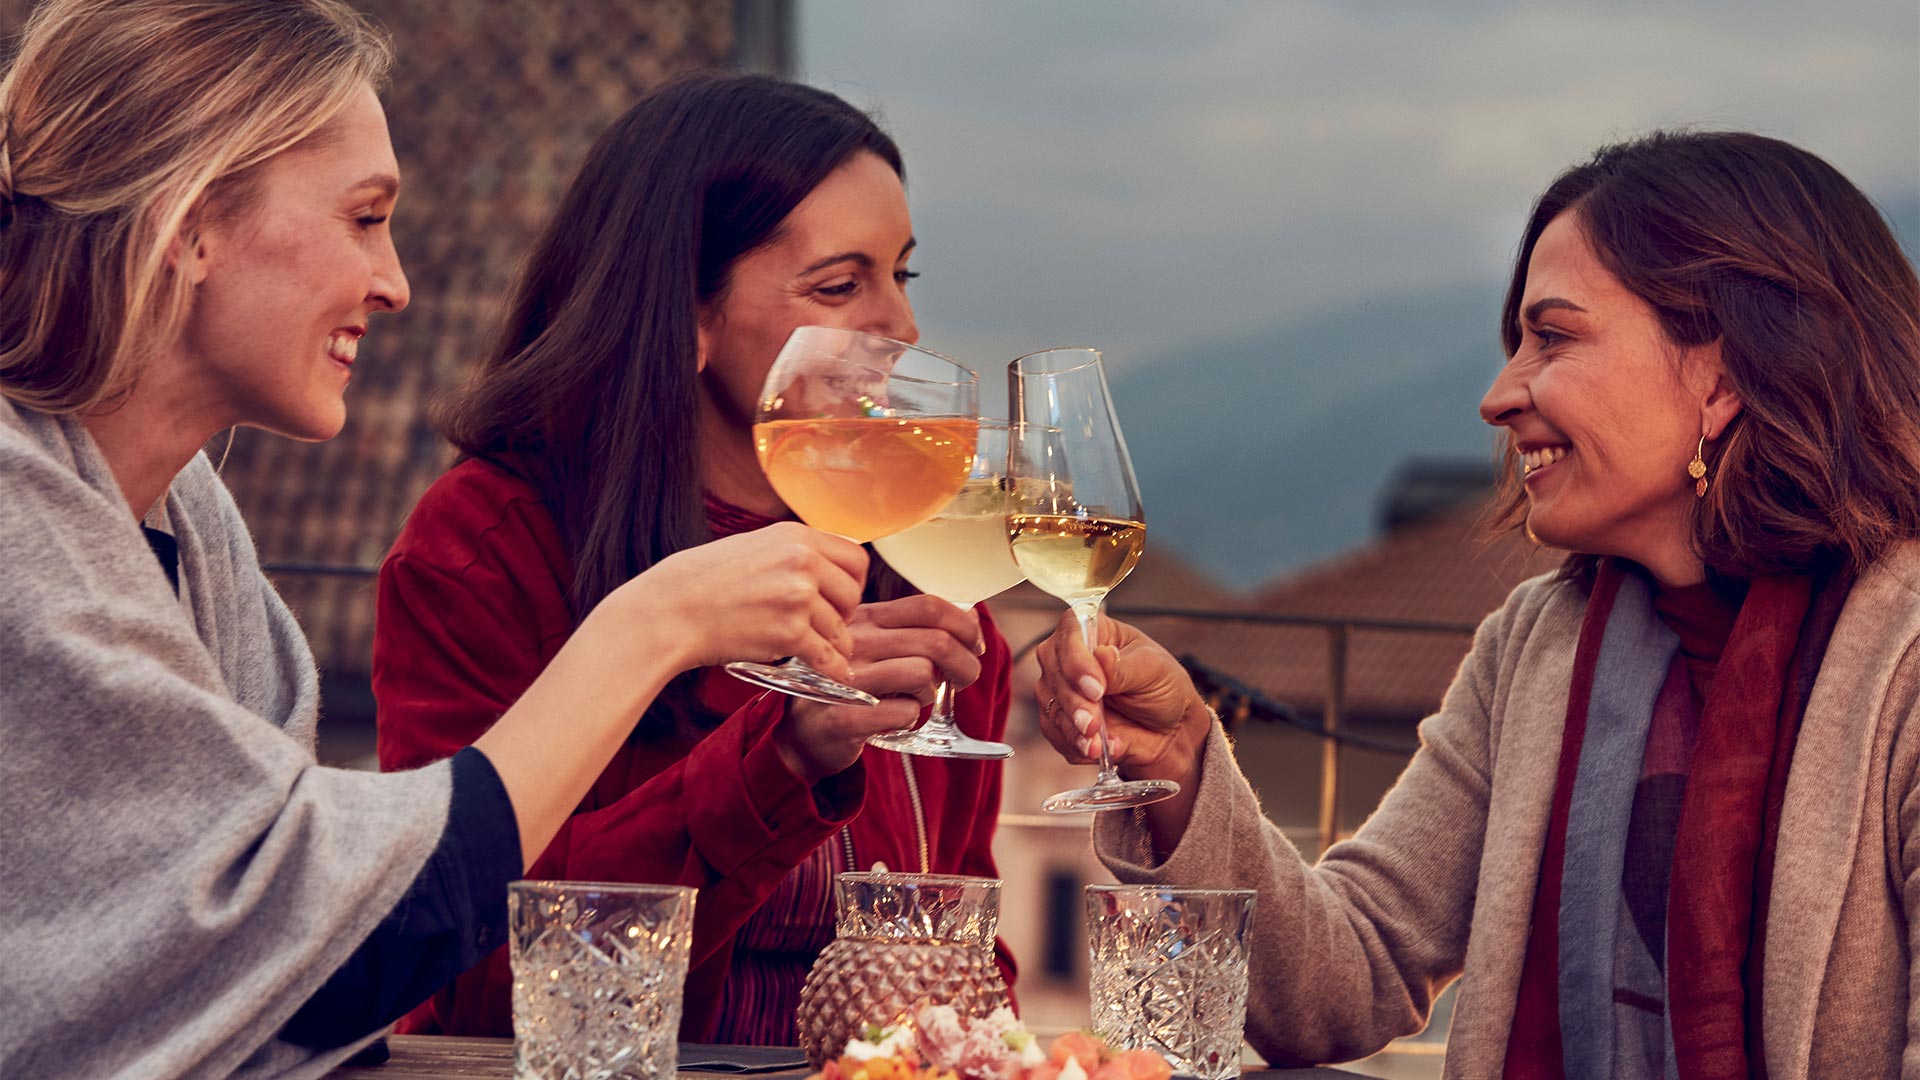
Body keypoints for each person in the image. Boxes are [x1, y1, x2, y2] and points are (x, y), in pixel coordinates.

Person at [0, 3, 868, 1077]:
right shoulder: (20, 534)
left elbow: (278, 935)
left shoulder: (190, 523)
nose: (398, 281)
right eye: (365, 217)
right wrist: (650, 629)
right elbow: (335, 950)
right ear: (190, 223)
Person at [1034, 131, 1920, 1077]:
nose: (1499, 397)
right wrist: (1177, 756)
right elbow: (1347, 973)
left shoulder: (1901, 660)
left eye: (1554, 337)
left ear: (1725, 374)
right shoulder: (1536, 648)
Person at [373, 72, 1015, 1045]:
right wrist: (781, 759)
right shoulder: (487, 551)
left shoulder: (922, 581)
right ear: (689, 315)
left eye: (902, 275)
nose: (902, 326)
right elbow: (473, 986)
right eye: (841, 285)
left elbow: (969, 976)